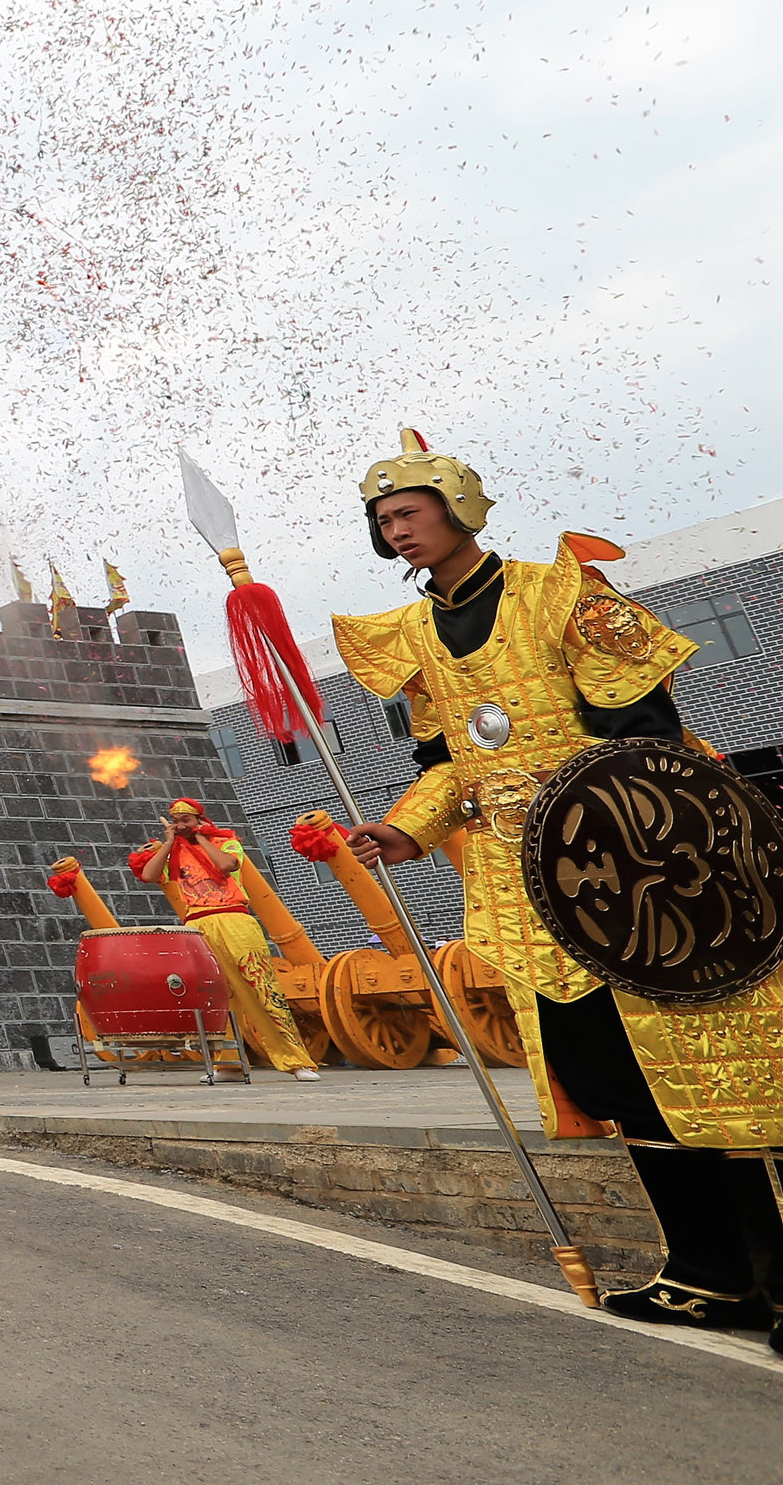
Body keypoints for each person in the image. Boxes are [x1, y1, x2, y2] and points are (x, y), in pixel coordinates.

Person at [335, 428, 783, 1340]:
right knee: (617, 1077)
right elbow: (450, 764)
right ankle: (710, 1273)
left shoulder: (560, 594)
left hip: (641, 872)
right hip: (524, 891)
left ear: (458, 508)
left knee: (714, 1072)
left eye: (409, 512)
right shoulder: (413, 637)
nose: (397, 531)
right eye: (383, 522)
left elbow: (648, 734)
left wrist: (596, 813)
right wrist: (403, 828)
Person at [123, 799, 323, 1080]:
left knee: (260, 988)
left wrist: (202, 838)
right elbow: (149, 874)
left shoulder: (226, 842)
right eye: (175, 820)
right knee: (214, 996)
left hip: (234, 920)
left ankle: (296, 1061)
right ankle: (227, 1064)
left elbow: (226, 866)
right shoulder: (174, 853)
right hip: (197, 926)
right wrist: (168, 843)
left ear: (200, 821)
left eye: (186, 821)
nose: (180, 826)